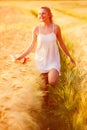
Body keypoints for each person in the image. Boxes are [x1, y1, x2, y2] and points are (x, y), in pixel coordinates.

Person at [14, 6, 76, 105]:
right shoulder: (36, 29)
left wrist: (69, 56)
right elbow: (32, 45)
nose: (40, 15)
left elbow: (61, 43)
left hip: (53, 60)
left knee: (52, 82)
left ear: (49, 14)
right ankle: (48, 106)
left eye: (43, 13)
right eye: (39, 14)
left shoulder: (56, 28)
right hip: (41, 60)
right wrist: (21, 56)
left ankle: (54, 85)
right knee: (44, 90)